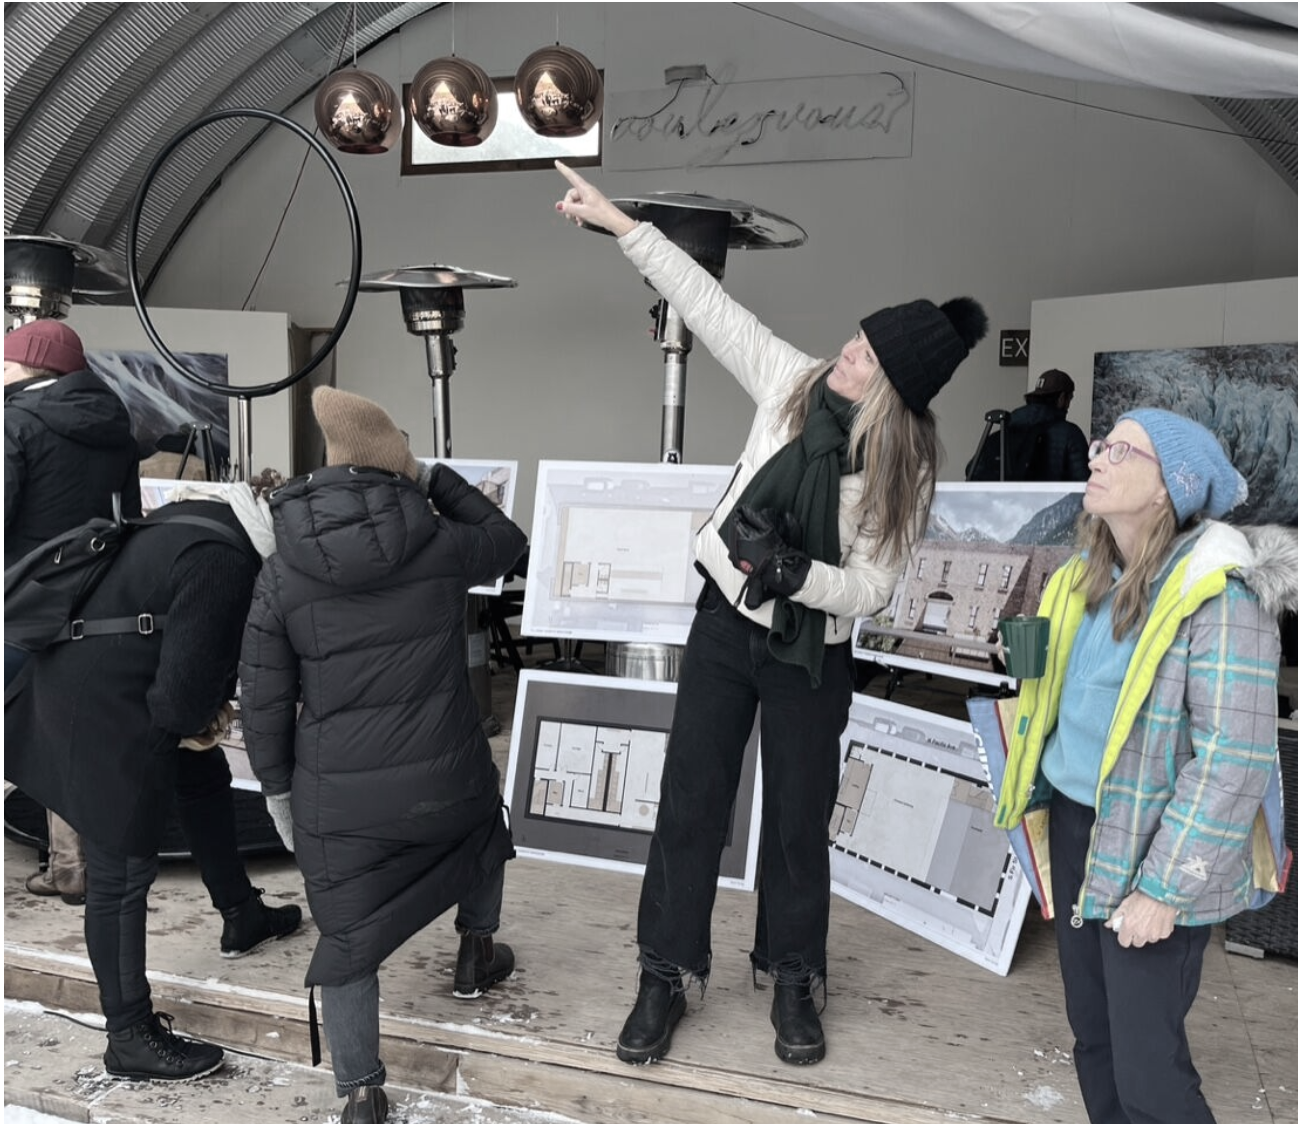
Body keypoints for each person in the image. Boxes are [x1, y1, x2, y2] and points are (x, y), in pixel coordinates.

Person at [553, 161, 989, 1067]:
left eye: (866, 355)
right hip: (723, 625)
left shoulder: (900, 471)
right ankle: (664, 972)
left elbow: (869, 591)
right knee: (690, 804)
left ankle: (794, 976)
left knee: (797, 819)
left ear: (892, 391)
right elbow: (711, 310)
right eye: (856, 339)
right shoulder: (793, 383)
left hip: (809, 655)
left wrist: (794, 573)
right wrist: (620, 225)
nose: (846, 353)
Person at [989, 408, 1298, 1123]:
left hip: (1152, 844)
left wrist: (1164, 889)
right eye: (1100, 445)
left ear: (1169, 486)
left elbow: (1236, 756)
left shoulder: (1222, 598)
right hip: (1074, 828)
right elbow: (1056, 696)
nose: (1096, 457)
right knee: (1095, 1039)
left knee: (1147, 1070)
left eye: (1120, 450)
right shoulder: (1082, 579)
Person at [238, 388, 528, 1124]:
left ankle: (363, 1093)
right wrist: (430, 476)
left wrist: (276, 791)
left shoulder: (282, 567)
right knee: (479, 827)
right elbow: (507, 537)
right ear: (393, 460)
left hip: (339, 793)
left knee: (349, 931)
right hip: (444, 771)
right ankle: (475, 953)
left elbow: (265, 694)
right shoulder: (435, 541)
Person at [4, 480, 305, 1082]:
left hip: (96, 670)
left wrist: (200, 719)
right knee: (121, 871)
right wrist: (206, 715)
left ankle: (240, 914)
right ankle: (130, 1037)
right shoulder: (227, 564)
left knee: (202, 772)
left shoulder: (212, 516)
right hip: (96, 701)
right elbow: (178, 703)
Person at [5, 318, 142, 903]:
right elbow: (130, 516)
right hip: (99, 593)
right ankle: (71, 865)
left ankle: (70, 864)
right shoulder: (115, 422)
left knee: (27, 726)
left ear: (31, 365)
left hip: (25, 599)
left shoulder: (15, 423)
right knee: (69, 729)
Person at [966, 368, 1089, 482]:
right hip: (1049, 504)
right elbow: (1083, 483)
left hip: (1002, 503)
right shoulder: (1070, 434)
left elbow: (971, 470)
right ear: (1062, 398)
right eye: (1070, 399)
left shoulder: (1006, 427)